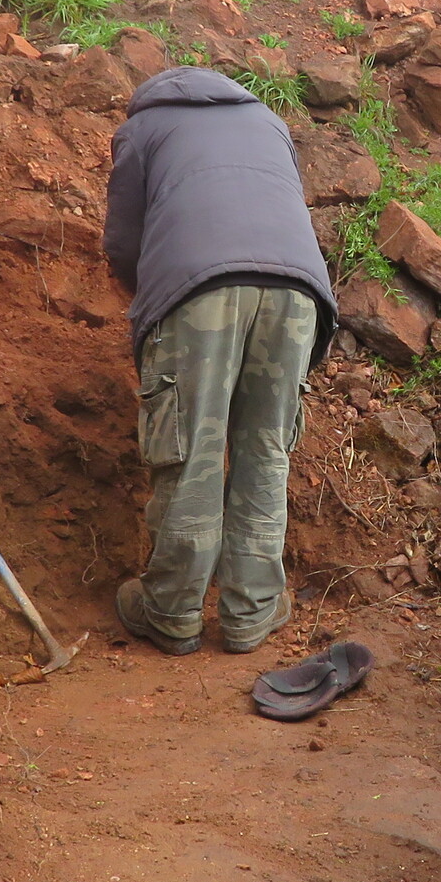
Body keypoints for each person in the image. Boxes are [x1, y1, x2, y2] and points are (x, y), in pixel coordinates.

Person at [102, 67, 336, 655]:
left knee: (192, 450)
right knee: (266, 449)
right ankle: (252, 611)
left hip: (200, 292)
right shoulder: (268, 121)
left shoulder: (144, 128)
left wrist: (154, 301)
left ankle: (171, 612)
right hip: (298, 293)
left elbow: (123, 243)